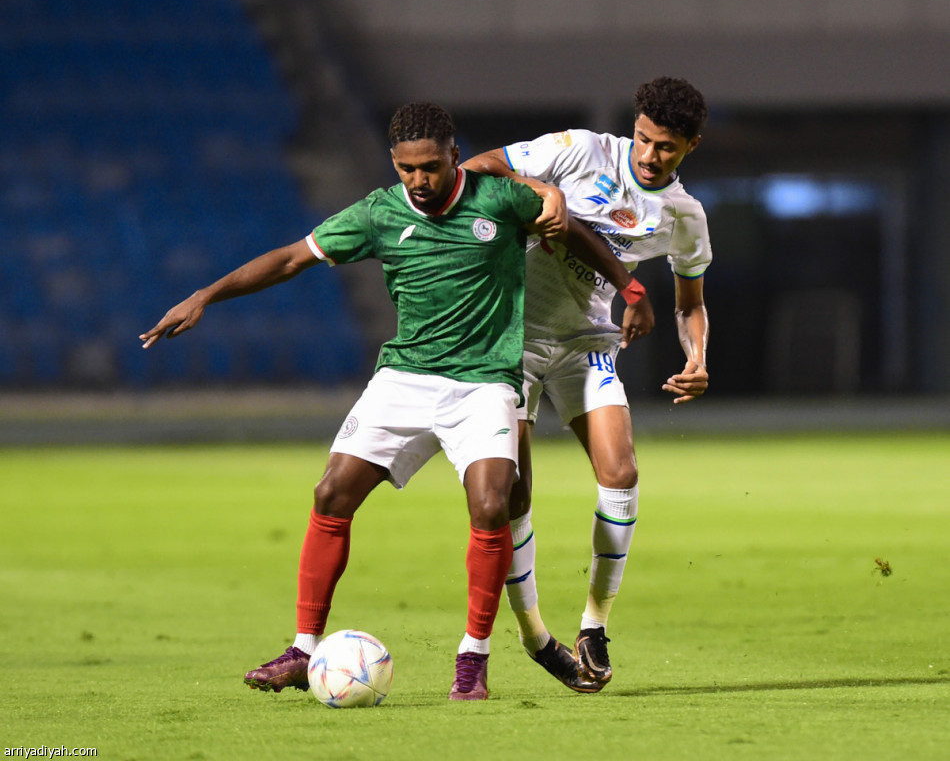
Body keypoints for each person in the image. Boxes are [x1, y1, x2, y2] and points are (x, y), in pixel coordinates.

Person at [139, 101, 645, 701]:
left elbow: (575, 233)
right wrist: (206, 294)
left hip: (485, 383)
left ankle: (472, 661)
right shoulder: (378, 213)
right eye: (407, 169)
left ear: (454, 155)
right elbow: (292, 258)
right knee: (332, 493)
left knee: (491, 504)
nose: (419, 181)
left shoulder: (498, 200)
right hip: (404, 378)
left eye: (430, 166)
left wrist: (629, 284)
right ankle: (303, 649)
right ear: (394, 163)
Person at [461, 76, 711, 691]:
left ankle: (594, 625)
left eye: (668, 148)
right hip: (509, 341)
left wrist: (697, 355)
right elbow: (477, 168)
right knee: (513, 495)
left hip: (586, 344)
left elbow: (689, 304)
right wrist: (540, 189)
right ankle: (532, 632)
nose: (651, 156)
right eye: (645, 140)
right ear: (634, 127)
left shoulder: (684, 216)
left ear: (691, 147)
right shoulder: (580, 149)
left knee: (620, 473)